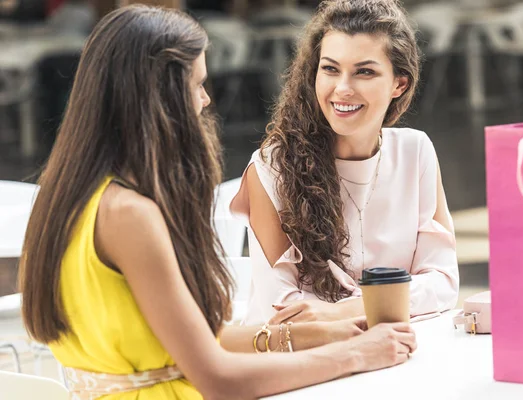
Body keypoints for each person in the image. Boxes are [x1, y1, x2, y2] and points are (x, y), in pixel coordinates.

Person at [18, 5, 416, 399]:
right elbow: (220, 379)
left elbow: (189, 339)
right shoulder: (128, 215)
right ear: (161, 97)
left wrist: (298, 335)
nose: (205, 100)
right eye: (196, 84)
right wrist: (355, 354)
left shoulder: (68, 196)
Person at [230, 0, 459, 326]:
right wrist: (389, 302)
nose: (342, 88)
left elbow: (442, 282)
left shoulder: (415, 151)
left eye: (364, 71)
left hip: (398, 348)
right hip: (303, 362)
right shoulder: (272, 168)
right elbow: (281, 310)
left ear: (399, 84)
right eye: (330, 69)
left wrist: (347, 308)